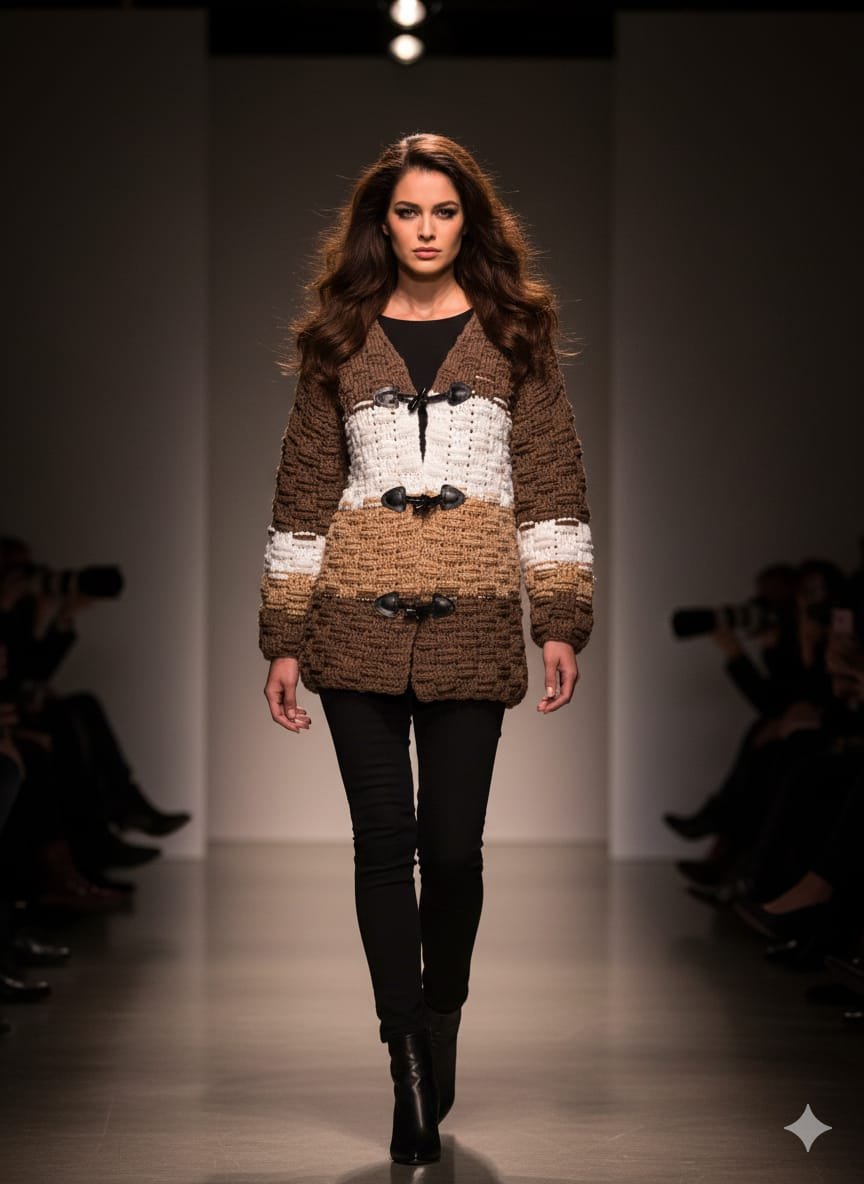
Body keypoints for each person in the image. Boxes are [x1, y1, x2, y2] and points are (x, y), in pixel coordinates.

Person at [258, 132, 594, 1165]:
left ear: (470, 221)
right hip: (352, 619)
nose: (426, 229)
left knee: (452, 852)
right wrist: (283, 633)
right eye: (407, 211)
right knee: (382, 846)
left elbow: (550, 482)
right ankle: (405, 1059)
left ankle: (439, 1013)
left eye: (444, 211)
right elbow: (303, 494)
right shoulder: (338, 338)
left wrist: (560, 617)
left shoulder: (515, 334)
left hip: (475, 618)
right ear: (381, 223)